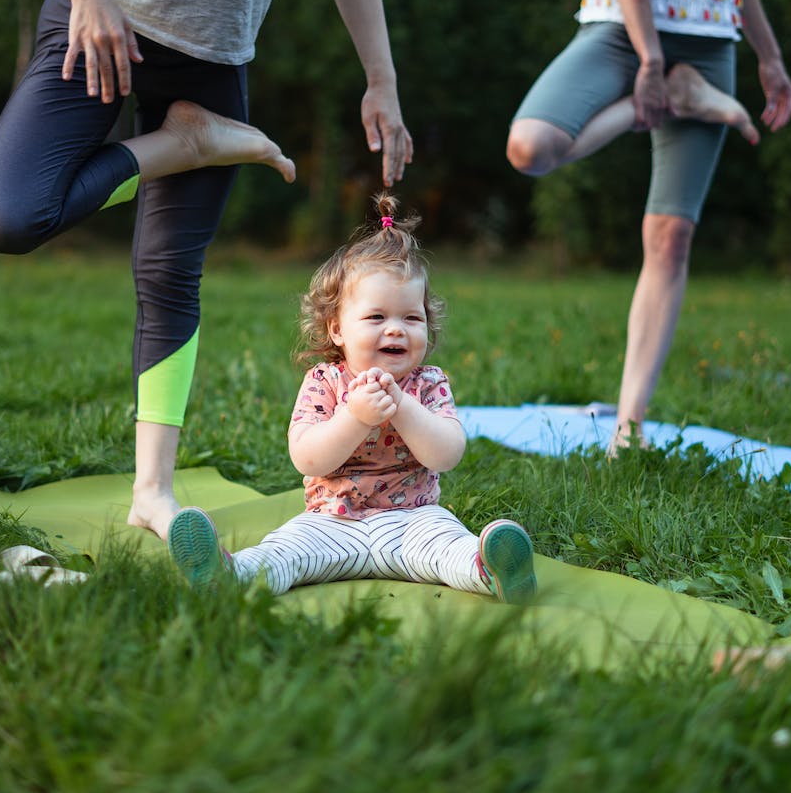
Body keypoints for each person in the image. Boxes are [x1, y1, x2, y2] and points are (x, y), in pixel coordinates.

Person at [0, 0, 413, 539]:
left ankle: (152, 491)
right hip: (99, 17)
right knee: (7, 216)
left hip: (212, 64)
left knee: (168, 273)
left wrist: (381, 80)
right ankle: (187, 145)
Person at [166, 194, 538, 605]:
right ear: (338, 329)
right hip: (330, 523)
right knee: (286, 551)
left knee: (448, 547)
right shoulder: (324, 381)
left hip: (413, 520)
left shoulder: (428, 383)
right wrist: (355, 418)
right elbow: (307, 459)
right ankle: (232, 575)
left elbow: (446, 455)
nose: (396, 330)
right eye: (377, 318)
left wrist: (403, 408)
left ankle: (492, 570)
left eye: (412, 318)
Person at [505, 0, 791, 452]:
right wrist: (652, 60)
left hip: (708, 39)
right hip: (620, 25)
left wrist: (769, 56)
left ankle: (629, 427)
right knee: (531, 146)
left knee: (671, 237)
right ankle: (680, 99)